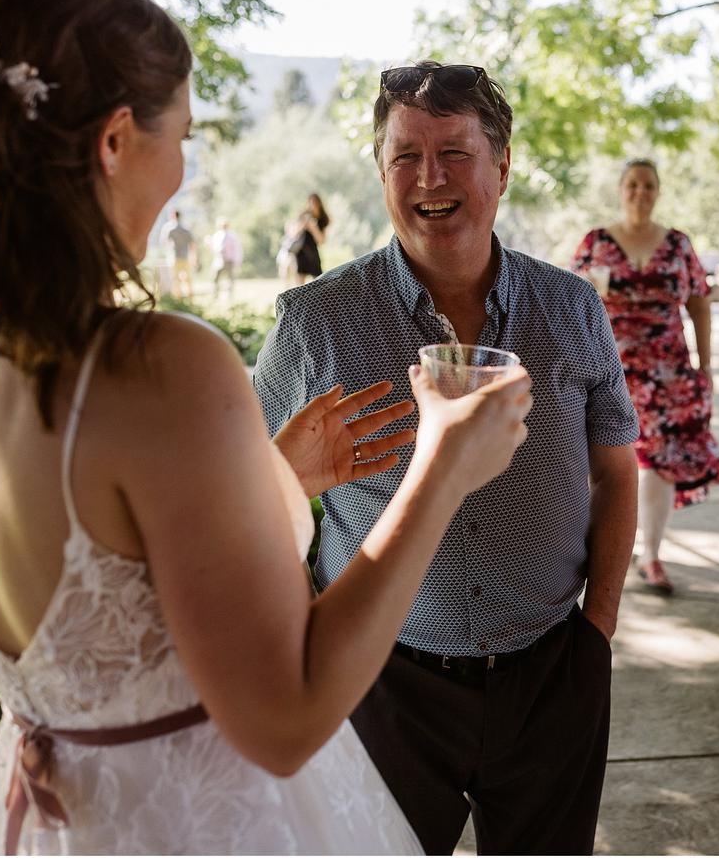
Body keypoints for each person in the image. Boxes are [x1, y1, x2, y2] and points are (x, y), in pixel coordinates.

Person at [0, 0, 533, 855]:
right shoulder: (161, 369)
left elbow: (106, 593)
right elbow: (285, 716)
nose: (184, 171)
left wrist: (275, 476)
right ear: (114, 141)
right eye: (180, 136)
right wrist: (441, 466)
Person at [253, 60, 639, 855]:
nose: (429, 177)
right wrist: (303, 629)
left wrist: (595, 631)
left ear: (502, 164)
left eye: (454, 152)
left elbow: (615, 470)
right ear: (381, 170)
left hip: (550, 675)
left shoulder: (571, 309)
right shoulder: (313, 324)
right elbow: (249, 494)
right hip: (378, 683)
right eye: (405, 155)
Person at [571, 158, 719, 595]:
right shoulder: (595, 242)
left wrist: (706, 364)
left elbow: (699, 302)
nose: (641, 192)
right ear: (621, 189)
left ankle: (650, 556)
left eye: (649, 185)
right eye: (633, 184)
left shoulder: (678, 244)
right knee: (597, 460)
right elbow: (572, 302)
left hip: (666, 372)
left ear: (658, 192)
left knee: (659, 464)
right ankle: (591, 553)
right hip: (606, 367)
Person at [278, 193, 330, 285]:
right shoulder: (303, 215)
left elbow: (321, 241)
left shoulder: (323, 219)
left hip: (313, 252)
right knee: (299, 282)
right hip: (301, 252)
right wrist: (303, 225)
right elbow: (292, 234)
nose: (312, 205)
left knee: (318, 279)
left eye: (315, 203)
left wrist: (314, 228)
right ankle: (301, 298)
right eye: (310, 202)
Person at [159, 209, 197, 300]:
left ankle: (178, 298)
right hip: (185, 257)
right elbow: (192, 244)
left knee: (175, 278)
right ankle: (190, 296)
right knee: (188, 278)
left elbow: (164, 241)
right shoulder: (186, 229)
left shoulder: (170, 229)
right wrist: (194, 257)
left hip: (174, 257)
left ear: (173, 216)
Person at [208, 220, 243, 301]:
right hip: (219, 260)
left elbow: (237, 249)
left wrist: (237, 261)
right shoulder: (217, 235)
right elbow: (214, 248)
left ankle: (230, 297)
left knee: (230, 279)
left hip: (229, 260)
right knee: (215, 278)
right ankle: (215, 296)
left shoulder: (232, 236)